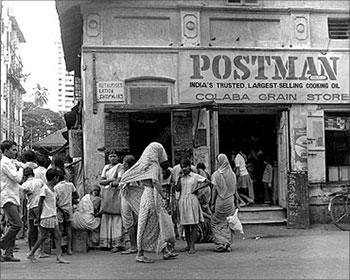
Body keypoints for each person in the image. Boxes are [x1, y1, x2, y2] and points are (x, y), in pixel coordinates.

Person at [120, 142, 178, 263]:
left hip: (146, 194)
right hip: (151, 195)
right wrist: (164, 196)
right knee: (148, 224)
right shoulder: (154, 166)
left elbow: (125, 177)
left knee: (154, 224)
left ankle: (165, 251)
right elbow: (156, 182)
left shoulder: (143, 165)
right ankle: (140, 253)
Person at [27, 168, 69, 264]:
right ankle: (31, 253)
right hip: (46, 216)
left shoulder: (52, 189)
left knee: (56, 236)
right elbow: (40, 203)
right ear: (55, 178)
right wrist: (39, 217)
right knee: (43, 236)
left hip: (52, 215)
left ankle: (58, 256)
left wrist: (61, 210)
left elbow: (54, 202)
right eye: (57, 177)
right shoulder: (45, 189)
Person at [176, 158, 210, 254]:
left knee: (194, 224)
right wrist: (179, 178)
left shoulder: (195, 176)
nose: (184, 169)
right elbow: (177, 189)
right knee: (185, 224)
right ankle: (188, 244)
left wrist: (197, 189)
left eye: (185, 166)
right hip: (183, 201)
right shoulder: (181, 177)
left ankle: (192, 246)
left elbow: (208, 182)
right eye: (182, 167)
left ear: (189, 166)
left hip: (192, 200)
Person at [0, 140, 24, 262]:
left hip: (13, 197)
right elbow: (17, 178)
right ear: (5, 151)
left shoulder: (10, 162)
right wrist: (21, 169)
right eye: (13, 150)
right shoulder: (5, 163)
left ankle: (8, 253)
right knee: (17, 224)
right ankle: (1, 244)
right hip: (8, 198)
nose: (16, 152)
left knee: (12, 225)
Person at [210, 154, 237, 252]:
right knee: (227, 222)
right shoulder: (233, 174)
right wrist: (237, 203)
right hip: (230, 201)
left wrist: (212, 203)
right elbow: (235, 190)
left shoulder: (216, 174)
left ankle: (222, 243)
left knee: (215, 222)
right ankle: (227, 243)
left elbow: (214, 190)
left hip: (220, 202)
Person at [99, 149, 124, 250]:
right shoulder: (106, 167)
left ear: (118, 157)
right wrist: (110, 180)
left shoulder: (120, 167)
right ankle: (106, 243)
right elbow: (101, 181)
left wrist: (108, 181)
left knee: (116, 218)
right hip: (106, 194)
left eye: (114, 156)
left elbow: (118, 181)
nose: (112, 158)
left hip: (116, 193)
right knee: (106, 216)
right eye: (110, 156)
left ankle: (117, 244)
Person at [21, 167, 49, 257]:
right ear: (33, 173)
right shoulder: (39, 181)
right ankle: (41, 251)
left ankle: (30, 250)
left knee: (31, 230)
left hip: (30, 207)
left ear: (25, 176)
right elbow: (45, 192)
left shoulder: (24, 185)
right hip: (38, 206)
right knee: (41, 229)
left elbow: (24, 198)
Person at [113, 155, 138, 254]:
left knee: (129, 223)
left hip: (127, 198)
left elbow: (121, 185)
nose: (123, 164)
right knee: (134, 222)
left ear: (127, 164)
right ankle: (135, 244)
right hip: (132, 198)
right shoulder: (135, 172)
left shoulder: (127, 174)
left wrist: (113, 183)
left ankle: (133, 246)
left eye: (124, 162)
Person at [54, 168, 79, 255]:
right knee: (68, 229)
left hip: (60, 210)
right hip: (69, 209)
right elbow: (76, 195)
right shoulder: (70, 185)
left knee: (60, 229)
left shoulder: (56, 187)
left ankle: (60, 248)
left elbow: (55, 201)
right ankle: (69, 249)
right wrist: (70, 199)